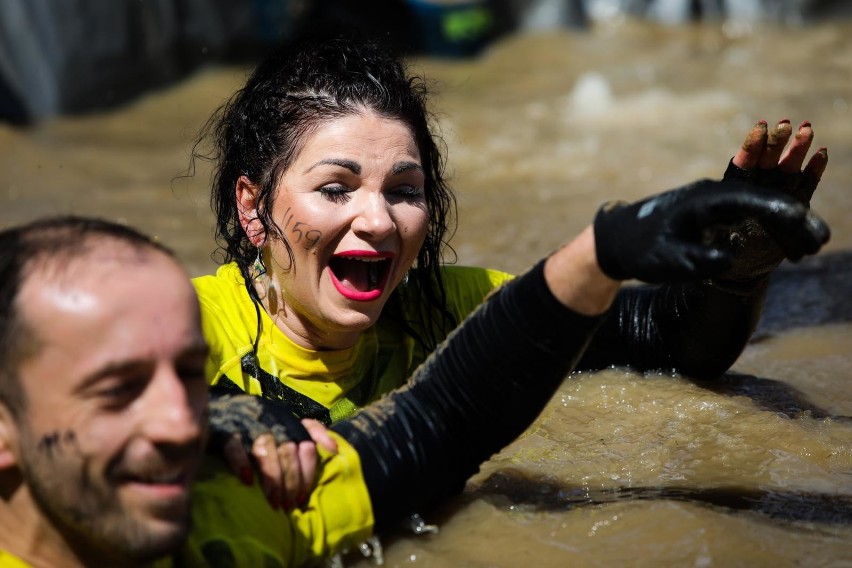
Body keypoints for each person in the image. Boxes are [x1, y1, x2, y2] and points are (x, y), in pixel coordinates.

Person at [0, 158, 828, 566]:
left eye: (187, 376)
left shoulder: (234, 515)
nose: (176, 422)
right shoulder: (213, 351)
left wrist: (610, 247)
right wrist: (233, 407)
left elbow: (442, 423)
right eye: (119, 389)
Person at [190, 33, 829, 427]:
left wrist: (737, 272)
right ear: (253, 209)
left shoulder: (446, 315)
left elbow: (665, 341)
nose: (379, 221)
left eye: (405, 192)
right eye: (336, 188)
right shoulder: (187, 330)